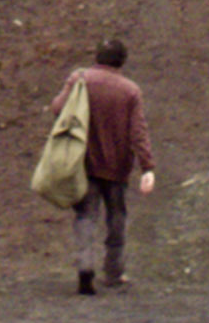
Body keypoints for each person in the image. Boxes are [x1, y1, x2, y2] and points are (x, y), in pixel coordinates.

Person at [63, 39, 155, 294]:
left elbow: (58, 108)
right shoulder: (130, 90)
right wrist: (147, 166)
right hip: (117, 168)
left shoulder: (79, 79)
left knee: (85, 216)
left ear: (97, 57)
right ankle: (113, 272)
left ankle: (85, 266)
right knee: (117, 218)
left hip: (85, 162)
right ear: (121, 61)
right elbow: (138, 132)